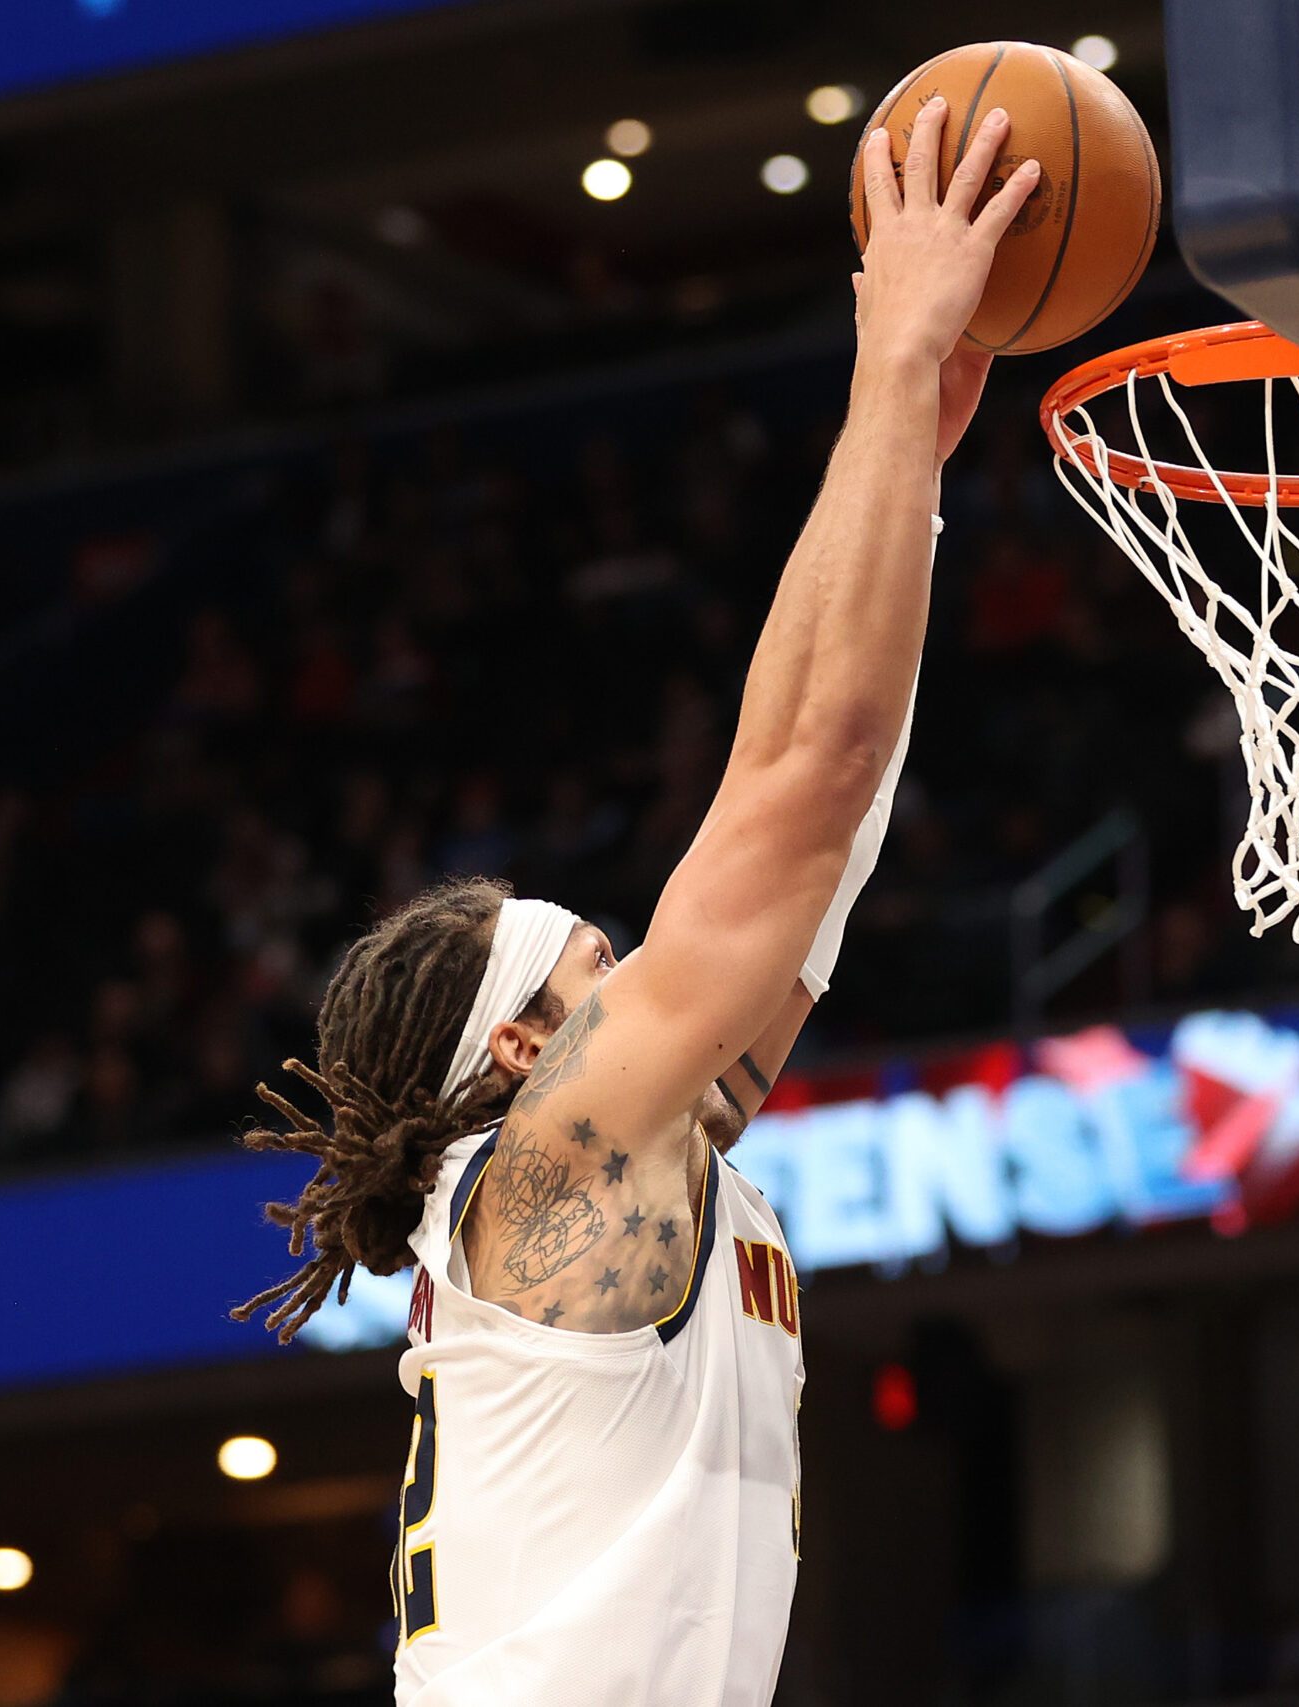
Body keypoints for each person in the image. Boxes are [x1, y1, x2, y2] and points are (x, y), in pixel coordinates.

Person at [229, 97, 1039, 1707]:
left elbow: (822, 814)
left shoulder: (639, 1166)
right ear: (526, 1054)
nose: (651, 974)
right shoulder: (545, 1177)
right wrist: (886, 363)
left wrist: (908, 462)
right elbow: (807, 780)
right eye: (599, 969)